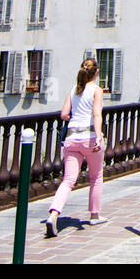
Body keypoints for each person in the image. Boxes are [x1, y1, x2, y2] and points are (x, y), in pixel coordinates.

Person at [45, 58, 106, 237]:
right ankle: (94, 214)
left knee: (68, 180)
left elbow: (64, 114)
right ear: (96, 73)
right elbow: (97, 114)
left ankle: (53, 214)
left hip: (71, 138)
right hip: (89, 137)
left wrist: (75, 115)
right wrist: (99, 135)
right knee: (96, 177)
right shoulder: (97, 90)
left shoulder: (73, 90)